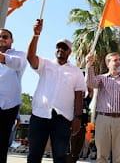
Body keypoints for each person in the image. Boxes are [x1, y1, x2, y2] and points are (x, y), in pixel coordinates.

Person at [26, 19, 87, 163]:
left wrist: (78, 117)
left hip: (62, 119)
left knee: (60, 157)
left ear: (69, 52)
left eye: (64, 48)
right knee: (34, 155)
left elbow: (79, 95)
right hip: (39, 115)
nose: (60, 49)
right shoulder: (45, 64)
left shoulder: (76, 71)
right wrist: (35, 35)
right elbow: (30, 58)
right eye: (58, 47)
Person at [85, 51, 120, 163]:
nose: (118, 62)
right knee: (101, 156)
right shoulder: (101, 78)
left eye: (119, 60)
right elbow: (90, 83)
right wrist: (89, 65)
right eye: (115, 60)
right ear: (108, 63)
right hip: (103, 119)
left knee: (118, 157)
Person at [0, 28, 27, 163]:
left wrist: (2, 57)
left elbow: (17, 63)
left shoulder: (19, 55)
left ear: (12, 40)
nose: (1, 39)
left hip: (8, 108)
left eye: (5, 37)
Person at [67, 86, 94, 163]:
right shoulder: (72, 100)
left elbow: (91, 92)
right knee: (70, 150)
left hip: (82, 129)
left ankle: (73, 161)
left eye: (83, 91)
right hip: (73, 129)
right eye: (81, 91)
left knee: (78, 150)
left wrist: (87, 84)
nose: (83, 93)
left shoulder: (85, 101)